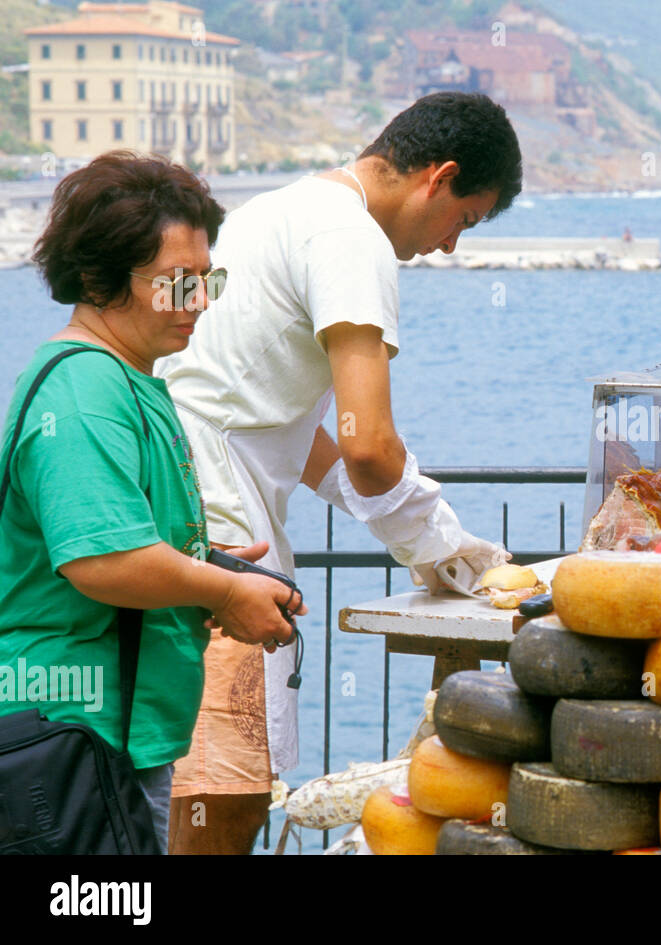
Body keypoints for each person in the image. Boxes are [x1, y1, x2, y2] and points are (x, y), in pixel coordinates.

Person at [157, 91, 523, 853]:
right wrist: (445, 549)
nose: (452, 245)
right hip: (228, 542)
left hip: (171, 517)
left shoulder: (270, 212)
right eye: (466, 218)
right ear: (439, 177)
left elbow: (266, 414)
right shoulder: (353, 239)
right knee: (223, 800)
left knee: (184, 791)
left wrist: (374, 506)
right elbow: (368, 442)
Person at [0, 152, 305, 853]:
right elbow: (102, 558)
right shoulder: (85, 393)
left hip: (112, 734)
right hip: (66, 736)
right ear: (100, 278)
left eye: (206, 280)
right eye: (176, 283)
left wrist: (211, 566)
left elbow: (122, 538)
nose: (197, 302)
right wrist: (224, 589)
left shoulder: (128, 380)